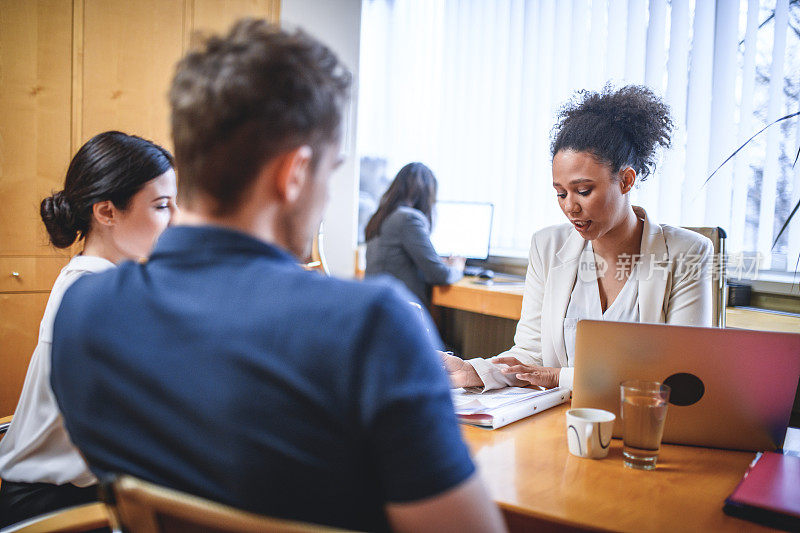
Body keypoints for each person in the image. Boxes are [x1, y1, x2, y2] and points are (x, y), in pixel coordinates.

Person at [49, 20, 504, 533]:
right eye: (329, 173)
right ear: (293, 174)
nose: (327, 197)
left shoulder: (82, 311)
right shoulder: (372, 326)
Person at [443, 85, 713, 392]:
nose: (570, 206)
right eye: (561, 193)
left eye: (583, 191)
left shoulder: (688, 253)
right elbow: (531, 356)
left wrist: (561, 377)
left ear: (626, 180)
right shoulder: (547, 246)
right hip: (561, 420)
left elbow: (682, 375)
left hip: (643, 426)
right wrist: (472, 371)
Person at [0, 131, 177, 527]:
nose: (175, 220)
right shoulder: (96, 291)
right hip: (54, 508)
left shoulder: (93, 276)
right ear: (107, 212)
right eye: (162, 206)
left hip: (72, 490)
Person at [364, 162, 464, 306]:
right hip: (400, 311)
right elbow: (439, 275)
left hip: (377, 309)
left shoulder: (380, 217)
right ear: (426, 195)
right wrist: (457, 267)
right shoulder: (408, 219)